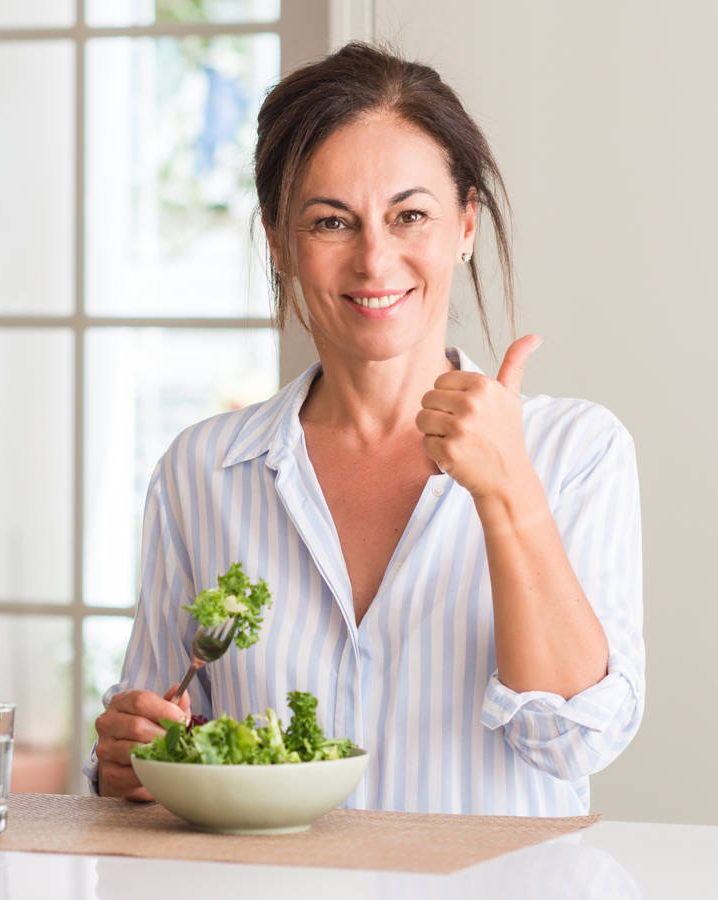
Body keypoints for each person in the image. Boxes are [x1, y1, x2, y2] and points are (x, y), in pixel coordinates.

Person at [85, 42, 644, 816]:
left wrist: (509, 490)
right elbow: (153, 753)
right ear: (279, 242)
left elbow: (574, 744)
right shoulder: (203, 471)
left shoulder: (576, 452)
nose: (375, 260)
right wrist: (128, 760)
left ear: (466, 225)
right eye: (330, 222)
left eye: (411, 214)